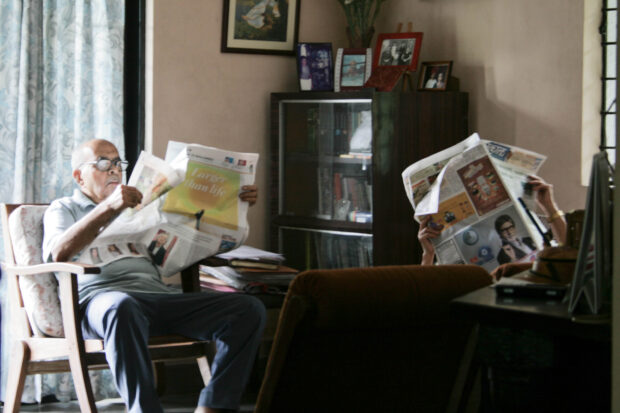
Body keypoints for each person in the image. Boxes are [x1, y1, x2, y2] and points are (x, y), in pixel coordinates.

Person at [42, 139, 265, 413]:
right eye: (103, 163)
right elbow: (58, 253)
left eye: (117, 163)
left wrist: (234, 204)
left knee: (247, 309)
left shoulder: (144, 205)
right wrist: (108, 208)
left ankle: (215, 406)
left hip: (158, 297)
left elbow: (187, 241)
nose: (114, 170)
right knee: (122, 305)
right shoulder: (63, 208)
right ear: (79, 176)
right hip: (102, 304)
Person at [417, 175, 567, 265]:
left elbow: (570, 255)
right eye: (504, 230)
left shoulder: (532, 239)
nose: (508, 232)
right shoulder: (501, 254)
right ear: (500, 234)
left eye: (510, 228)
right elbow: (428, 290)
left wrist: (549, 206)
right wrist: (428, 254)